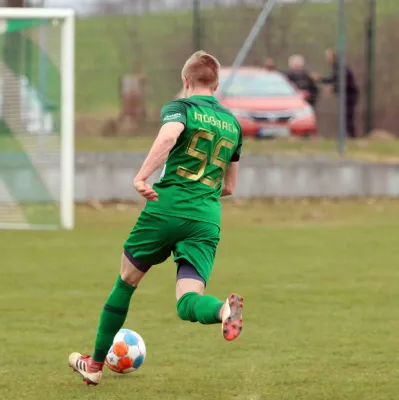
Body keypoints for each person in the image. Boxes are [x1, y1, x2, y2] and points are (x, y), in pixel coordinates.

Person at [68, 51, 244, 386]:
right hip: (206, 218)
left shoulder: (181, 108)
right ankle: (223, 310)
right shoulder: (233, 125)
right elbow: (230, 186)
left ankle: (93, 366)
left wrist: (141, 178)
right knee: (186, 302)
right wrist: (200, 193)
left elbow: (167, 137)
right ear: (217, 83)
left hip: (166, 207)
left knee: (126, 280)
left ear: (185, 81)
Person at [313, 48, 360, 138]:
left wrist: (333, 88)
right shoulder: (336, 67)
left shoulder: (341, 67)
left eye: (328, 57)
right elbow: (333, 79)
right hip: (345, 95)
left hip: (350, 95)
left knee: (348, 117)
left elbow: (343, 82)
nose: (326, 59)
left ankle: (352, 137)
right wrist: (321, 79)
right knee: (345, 117)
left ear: (333, 57)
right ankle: (349, 136)